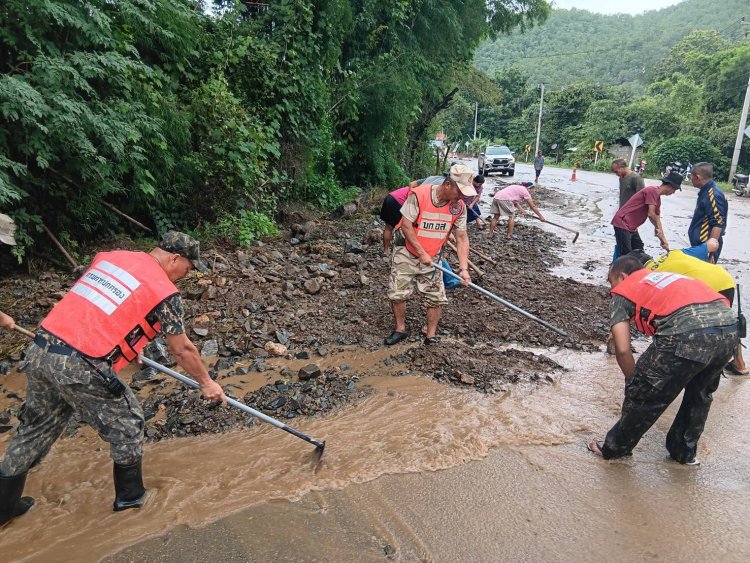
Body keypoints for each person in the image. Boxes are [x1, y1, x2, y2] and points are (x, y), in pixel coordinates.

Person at [0, 232, 228, 526]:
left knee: (35, 429)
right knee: (129, 423)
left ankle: (3, 508)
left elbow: (103, 306)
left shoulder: (111, 259)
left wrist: (130, 344)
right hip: (79, 363)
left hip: (40, 350)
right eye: (189, 267)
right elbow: (182, 349)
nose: (188, 274)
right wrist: (207, 382)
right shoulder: (164, 290)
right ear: (174, 258)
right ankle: (131, 503)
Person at [588, 255, 738, 465]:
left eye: (610, 281)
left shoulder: (623, 291)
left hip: (686, 333)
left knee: (644, 393)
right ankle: (683, 454)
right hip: (730, 329)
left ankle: (613, 450)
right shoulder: (666, 278)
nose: (610, 289)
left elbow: (622, 350)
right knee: (700, 394)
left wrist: (635, 382)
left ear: (622, 276)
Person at [385, 164, 474, 346]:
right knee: (398, 293)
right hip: (406, 251)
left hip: (433, 255)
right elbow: (407, 226)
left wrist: (464, 269)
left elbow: (462, 238)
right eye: (460, 191)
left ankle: (431, 336)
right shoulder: (420, 195)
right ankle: (400, 329)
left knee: (435, 297)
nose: (462, 196)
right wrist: (420, 252)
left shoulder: (459, 207)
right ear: (448, 185)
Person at [635, 241, 747, 376]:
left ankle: (697, 362)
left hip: (703, 287)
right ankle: (739, 363)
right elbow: (712, 245)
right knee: (727, 323)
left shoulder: (649, 276)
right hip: (724, 279)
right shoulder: (674, 253)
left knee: (700, 326)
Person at [611, 171, 681, 257]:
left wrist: (663, 239)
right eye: (674, 190)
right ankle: (617, 268)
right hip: (622, 223)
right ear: (670, 186)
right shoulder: (652, 191)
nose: (673, 193)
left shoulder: (657, 198)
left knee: (639, 250)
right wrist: (657, 228)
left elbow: (657, 218)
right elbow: (651, 214)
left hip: (631, 227)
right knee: (626, 255)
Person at [688, 162, 728, 263]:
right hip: (701, 246)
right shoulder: (705, 191)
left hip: (706, 247)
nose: (690, 179)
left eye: (691, 176)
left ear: (697, 177)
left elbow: (717, 223)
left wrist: (710, 252)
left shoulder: (712, 194)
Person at [380, 185, 413, 254]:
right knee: (403, 227)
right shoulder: (421, 192)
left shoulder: (416, 186)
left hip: (389, 197)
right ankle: (400, 250)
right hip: (398, 202)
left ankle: (386, 251)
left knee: (388, 227)